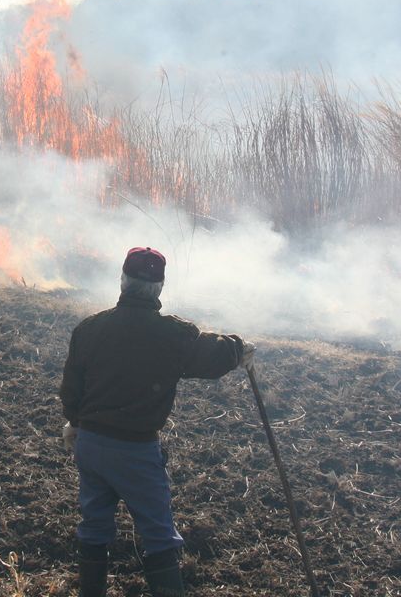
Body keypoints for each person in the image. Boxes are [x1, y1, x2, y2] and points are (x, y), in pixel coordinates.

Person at [59, 246, 254, 597]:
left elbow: (72, 387)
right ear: (159, 287)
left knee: (94, 526)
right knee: (158, 534)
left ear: (123, 280)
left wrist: (74, 423)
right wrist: (239, 349)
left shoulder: (89, 329)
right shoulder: (173, 335)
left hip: (90, 444)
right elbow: (211, 356)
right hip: (135, 449)